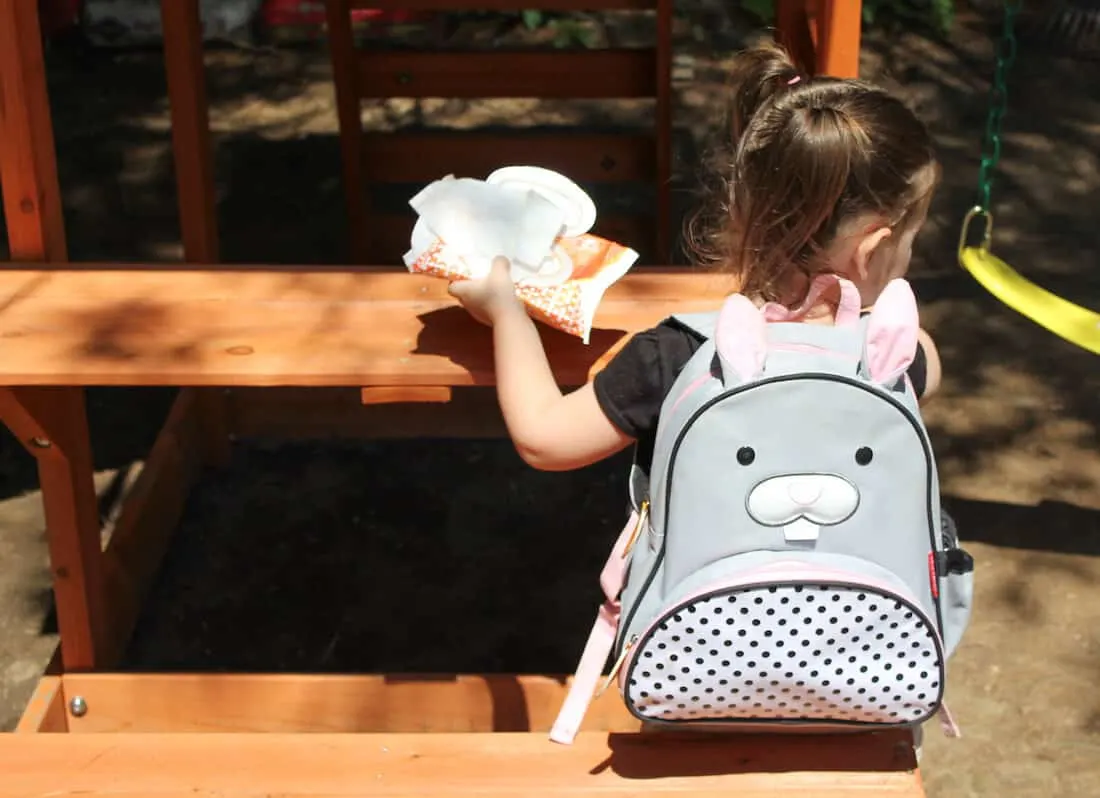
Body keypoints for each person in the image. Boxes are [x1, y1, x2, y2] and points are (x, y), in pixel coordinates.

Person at [448, 42, 943, 479]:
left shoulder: (681, 355)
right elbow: (917, 345)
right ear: (873, 249)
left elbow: (544, 438)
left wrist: (505, 312)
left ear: (744, 210)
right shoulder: (899, 360)